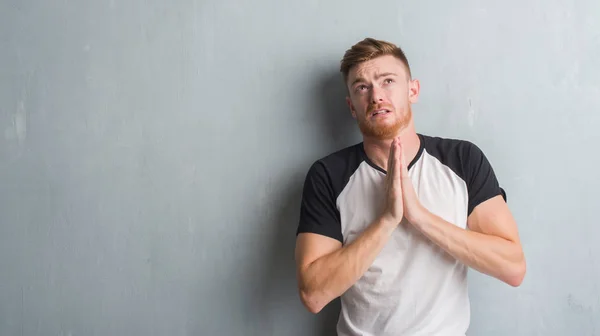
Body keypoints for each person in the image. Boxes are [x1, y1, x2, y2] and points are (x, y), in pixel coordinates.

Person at [294, 37, 526, 336]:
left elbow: (513, 267)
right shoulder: (328, 175)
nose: (376, 95)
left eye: (387, 80)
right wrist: (387, 220)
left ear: (412, 90)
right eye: (362, 87)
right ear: (352, 106)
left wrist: (419, 217)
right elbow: (313, 294)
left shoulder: (462, 160)